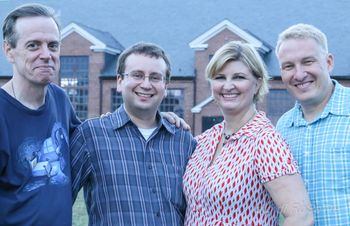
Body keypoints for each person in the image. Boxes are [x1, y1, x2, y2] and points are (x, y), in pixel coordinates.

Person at [182, 41, 314, 226]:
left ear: (257, 83)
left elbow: (301, 216)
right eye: (220, 77)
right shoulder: (205, 140)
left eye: (238, 77)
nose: (228, 86)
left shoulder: (265, 142)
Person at [70, 42, 197, 226]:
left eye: (155, 77)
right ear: (120, 81)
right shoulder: (91, 135)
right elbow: (58, 201)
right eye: (137, 75)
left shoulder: (183, 141)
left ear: (165, 86)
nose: (146, 84)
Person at [0, 3, 80, 226]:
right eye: (33, 45)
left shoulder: (60, 99)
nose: (46, 55)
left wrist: (154, 119)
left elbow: (91, 138)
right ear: (9, 50)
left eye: (53, 46)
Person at [275, 23, 350, 225]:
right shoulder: (283, 128)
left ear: (328, 62)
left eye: (308, 62)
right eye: (288, 66)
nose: (299, 74)